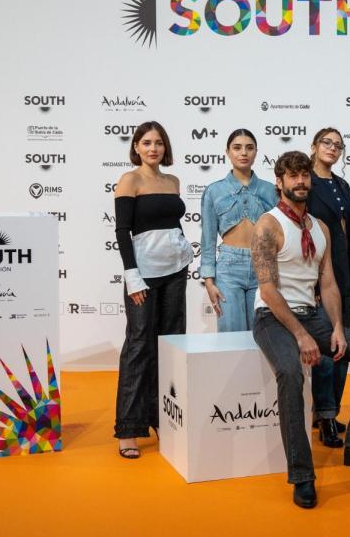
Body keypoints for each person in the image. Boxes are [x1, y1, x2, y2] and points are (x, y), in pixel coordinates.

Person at [251, 151, 350, 508]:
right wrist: (301, 335)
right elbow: (268, 291)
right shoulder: (267, 225)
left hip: (313, 315)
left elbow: (328, 284)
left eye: (305, 176)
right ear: (280, 181)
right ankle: (302, 475)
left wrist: (337, 329)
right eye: (293, 176)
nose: (300, 182)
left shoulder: (321, 227)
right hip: (273, 318)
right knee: (291, 374)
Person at [112, 121, 192, 459]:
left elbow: (172, 224)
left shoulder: (172, 181)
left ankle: (162, 418)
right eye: (146, 142)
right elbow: (122, 231)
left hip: (176, 270)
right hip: (143, 275)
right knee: (139, 344)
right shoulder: (130, 180)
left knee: (170, 342)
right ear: (136, 147)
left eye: (159, 142)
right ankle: (129, 428)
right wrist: (132, 277)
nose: (153, 148)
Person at [306, 127, 350, 447]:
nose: (333, 149)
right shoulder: (303, 181)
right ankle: (324, 416)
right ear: (313, 146)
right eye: (327, 142)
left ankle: (331, 411)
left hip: (344, 273)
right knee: (324, 349)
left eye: (338, 145)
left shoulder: (343, 185)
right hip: (316, 275)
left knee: (341, 345)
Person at [199, 129, 278, 331]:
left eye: (249, 148)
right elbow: (208, 240)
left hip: (264, 265)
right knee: (230, 335)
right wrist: (209, 280)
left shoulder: (271, 190)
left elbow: (280, 235)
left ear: (256, 152)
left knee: (263, 335)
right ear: (227, 152)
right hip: (228, 267)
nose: (243, 153)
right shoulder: (213, 191)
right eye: (237, 147)